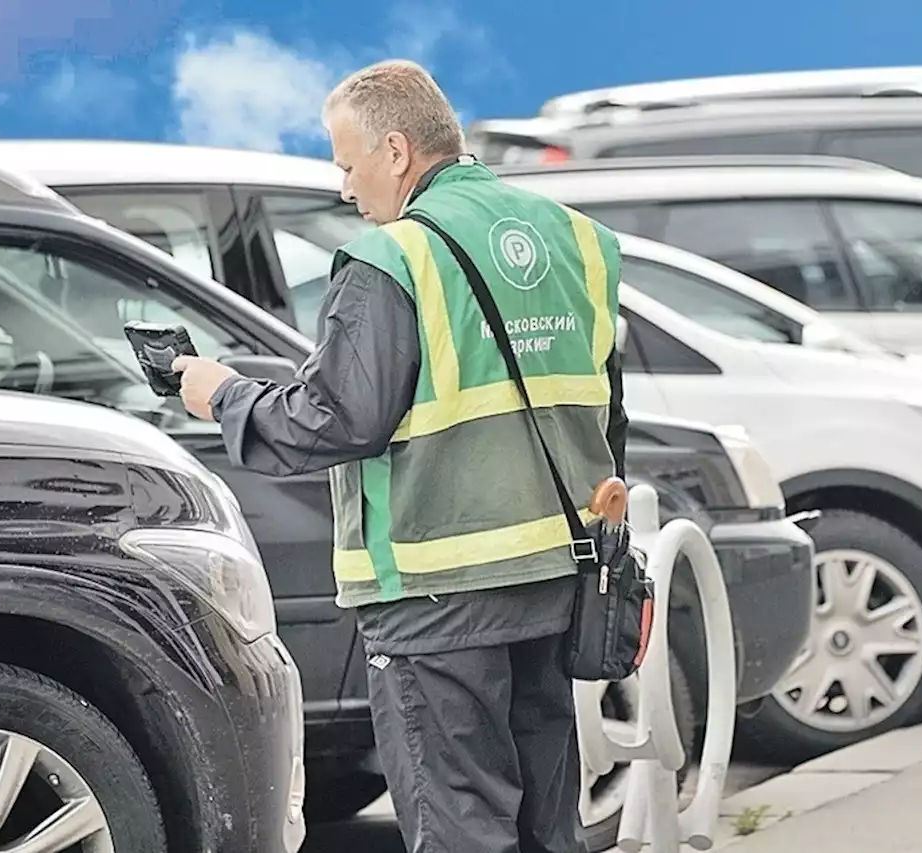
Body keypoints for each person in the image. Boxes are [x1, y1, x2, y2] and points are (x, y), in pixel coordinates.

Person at [172, 58, 627, 853]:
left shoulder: (391, 261)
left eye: (347, 164)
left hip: (435, 592)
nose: (345, 187)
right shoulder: (576, 240)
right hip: (556, 577)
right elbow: (603, 407)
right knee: (544, 824)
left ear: (394, 151)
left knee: (458, 824)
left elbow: (334, 421)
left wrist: (223, 395)